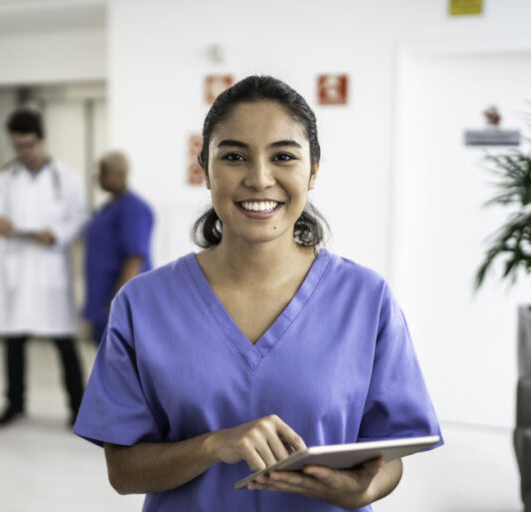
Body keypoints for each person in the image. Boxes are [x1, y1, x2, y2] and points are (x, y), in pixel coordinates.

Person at [73, 76, 443, 511]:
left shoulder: (366, 299)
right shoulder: (141, 305)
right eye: (234, 156)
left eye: (283, 156)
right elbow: (124, 472)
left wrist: (367, 488)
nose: (259, 178)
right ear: (205, 170)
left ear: (314, 171)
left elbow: (391, 454)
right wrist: (214, 445)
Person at [0, 108, 88, 428]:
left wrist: (55, 234)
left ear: (42, 140)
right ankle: (14, 403)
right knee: (13, 341)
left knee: (65, 343)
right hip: (15, 270)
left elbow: (80, 217)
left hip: (49, 266)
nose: (23, 152)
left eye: (28, 145)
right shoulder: (4, 179)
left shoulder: (65, 178)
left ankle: (79, 410)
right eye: (17, 146)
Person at [83, 151, 154, 345]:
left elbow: (135, 257)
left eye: (102, 172)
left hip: (118, 300)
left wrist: (119, 302)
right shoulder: (109, 207)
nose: (97, 177)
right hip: (102, 297)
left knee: (121, 363)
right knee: (105, 360)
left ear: (118, 174)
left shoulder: (133, 208)